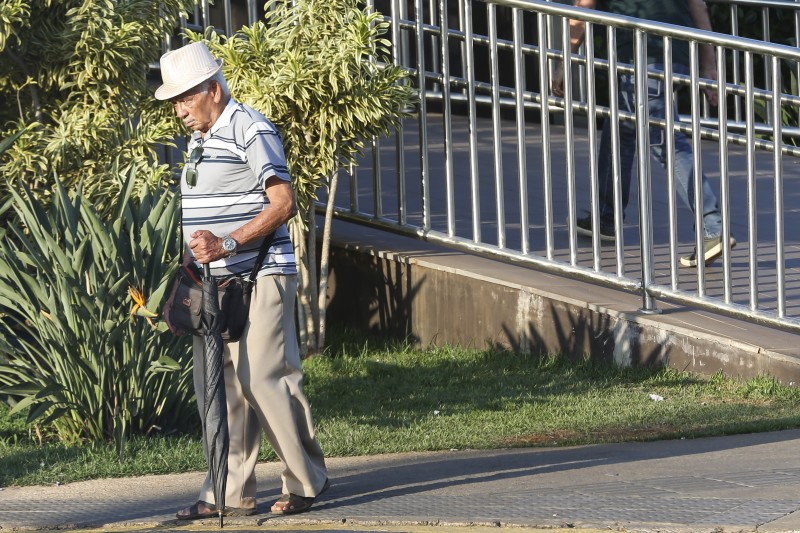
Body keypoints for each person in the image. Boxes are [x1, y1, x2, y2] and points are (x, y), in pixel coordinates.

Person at [154, 41, 329, 518]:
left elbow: (283, 202)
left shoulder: (251, 128)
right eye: (174, 102)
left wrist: (228, 243)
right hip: (215, 281)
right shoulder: (201, 137)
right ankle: (227, 493)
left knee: (264, 377)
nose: (179, 110)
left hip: (262, 272)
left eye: (185, 99)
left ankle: (306, 480)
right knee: (221, 384)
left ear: (212, 89)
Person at [553, 0, 736, 267]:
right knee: (621, 130)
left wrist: (564, 62)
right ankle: (606, 217)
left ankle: (713, 227)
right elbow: (698, 5)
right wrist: (708, 65)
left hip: (642, 54)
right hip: (675, 52)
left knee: (666, 144)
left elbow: (583, 8)